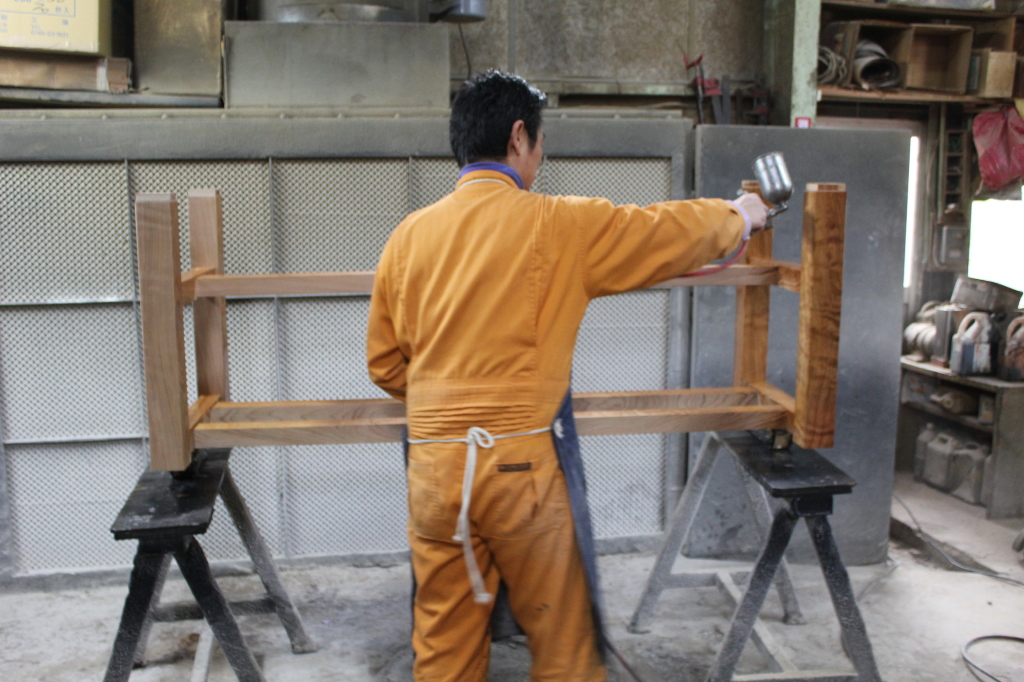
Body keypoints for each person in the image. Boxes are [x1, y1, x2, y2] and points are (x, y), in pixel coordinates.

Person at [367, 70, 768, 682]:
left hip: (434, 473)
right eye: (540, 143)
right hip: (521, 473)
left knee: (444, 647)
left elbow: (384, 364)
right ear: (518, 137)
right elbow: (660, 231)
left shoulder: (407, 237)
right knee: (565, 648)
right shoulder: (558, 223)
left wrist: (449, 400)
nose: (540, 158)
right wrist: (739, 215)